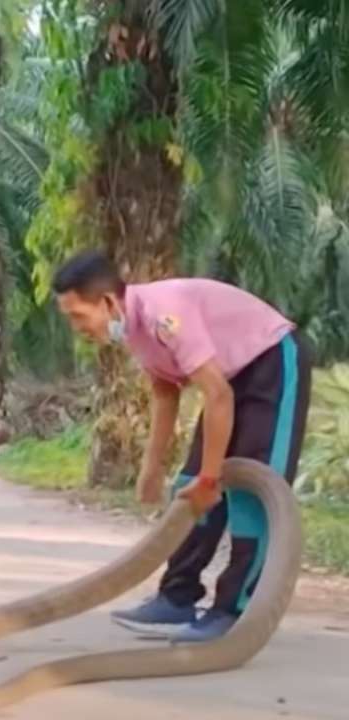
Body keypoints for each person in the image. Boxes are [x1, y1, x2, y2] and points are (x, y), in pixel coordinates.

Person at [51, 249, 311, 643]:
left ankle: (232, 611)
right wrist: (152, 469)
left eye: (77, 316)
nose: (76, 327)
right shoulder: (134, 328)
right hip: (228, 378)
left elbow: (217, 396)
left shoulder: (164, 316)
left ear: (106, 302)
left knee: (251, 495)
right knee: (189, 485)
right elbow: (165, 393)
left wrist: (212, 478)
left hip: (271, 361)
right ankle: (177, 597)